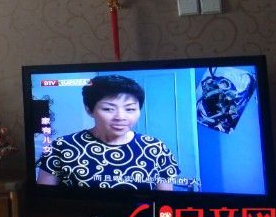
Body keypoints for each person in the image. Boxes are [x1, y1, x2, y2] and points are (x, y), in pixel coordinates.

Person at [37, 75, 179, 190]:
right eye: (108, 109)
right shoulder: (62, 146)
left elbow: (165, 201)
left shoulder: (155, 147)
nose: (120, 117)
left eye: (130, 109)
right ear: (89, 109)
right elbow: (45, 199)